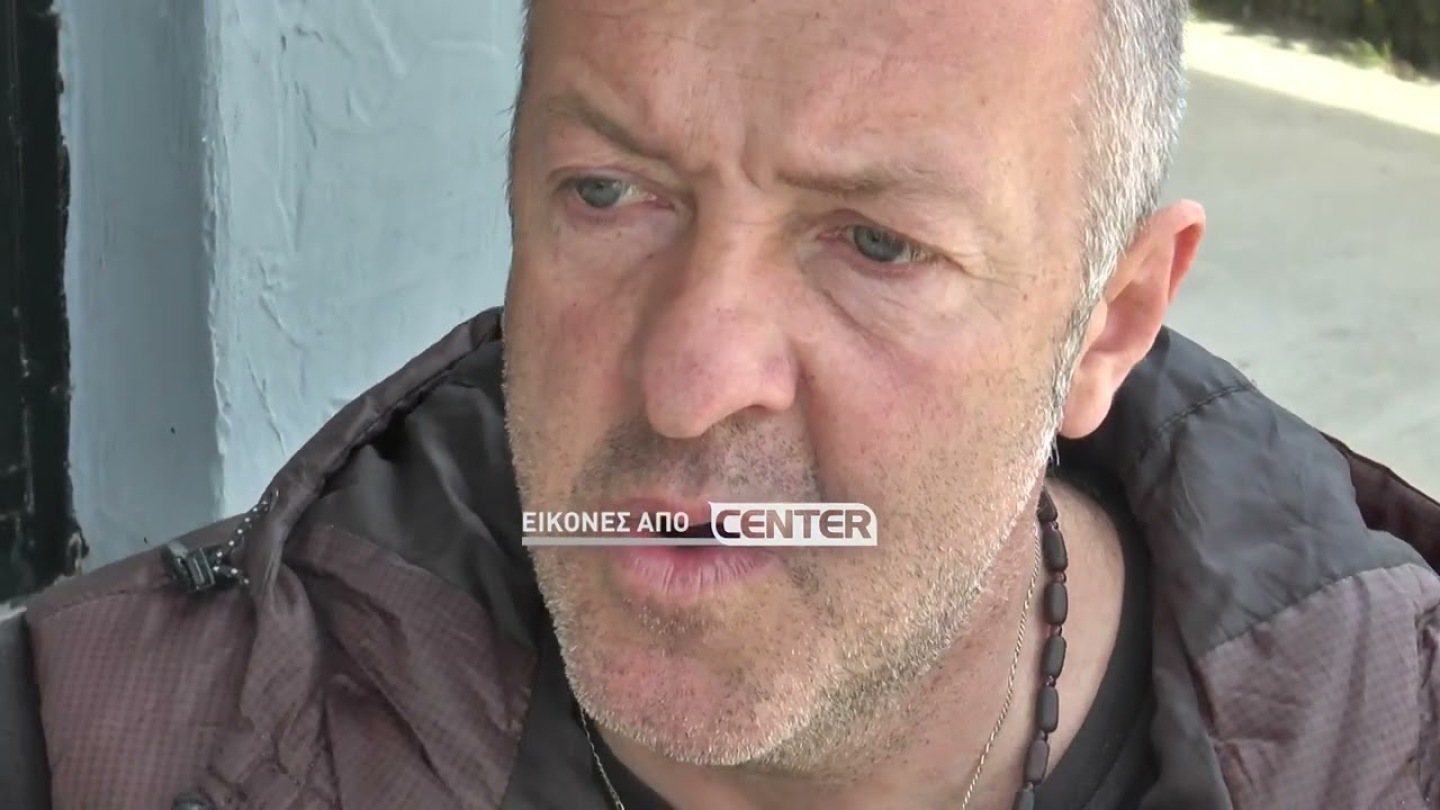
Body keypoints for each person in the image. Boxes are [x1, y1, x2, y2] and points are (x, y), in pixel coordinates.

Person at [3, 0, 1439, 807]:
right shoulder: (112, 744)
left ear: (1109, 322)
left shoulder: (1384, 745)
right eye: (609, 192)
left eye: (875, 244)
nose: (690, 387)